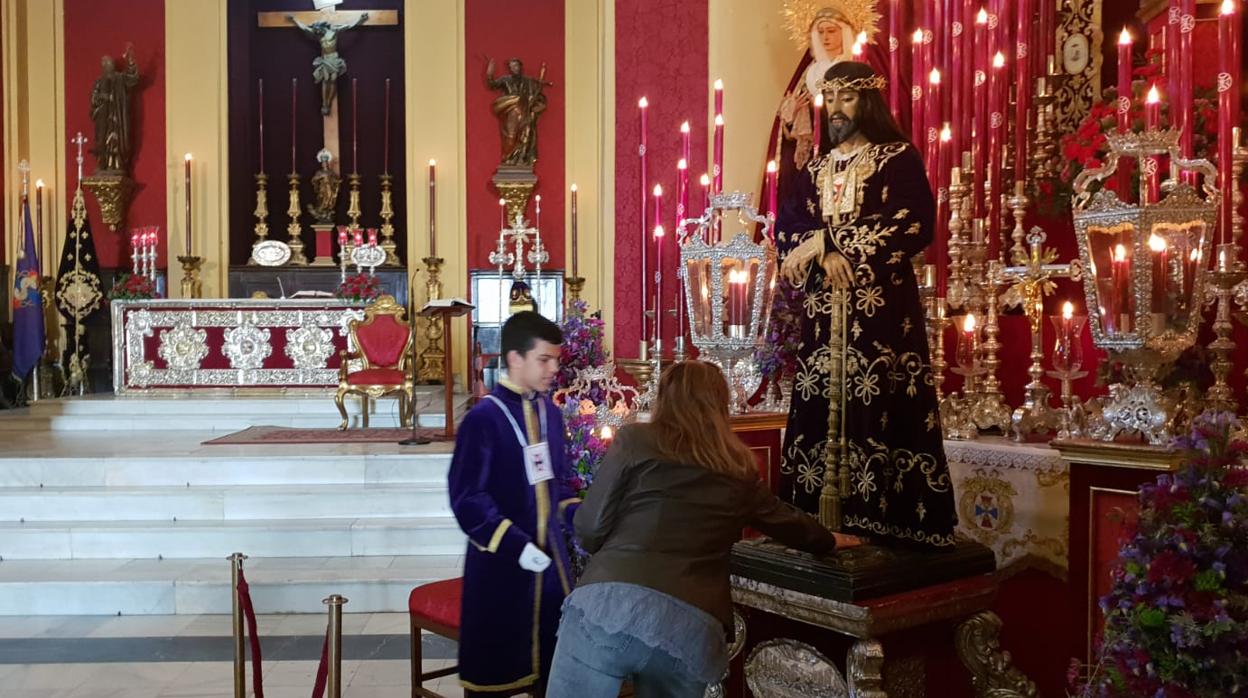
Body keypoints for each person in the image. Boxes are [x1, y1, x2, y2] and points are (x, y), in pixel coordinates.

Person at [548, 360, 837, 697]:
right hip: (690, 624)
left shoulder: (635, 439)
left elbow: (590, 528)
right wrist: (829, 540)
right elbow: (788, 522)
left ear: (665, 398)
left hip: (612, 606)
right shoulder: (738, 468)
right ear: (720, 404)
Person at [776, 60, 957, 548]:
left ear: (868, 102)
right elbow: (788, 225)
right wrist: (818, 248)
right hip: (823, 313)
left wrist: (832, 242)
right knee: (819, 405)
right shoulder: (815, 168)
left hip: (880, 314)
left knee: (877, 404)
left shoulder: (897, 157)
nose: (835, 109)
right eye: (830, 99)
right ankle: (818, 520)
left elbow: (914, 221)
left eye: (847, 98)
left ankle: (882, 519)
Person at [448, 311, 581, 696]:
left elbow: (559, 485)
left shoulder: (551, 414)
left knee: (551, 674)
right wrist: (517, 547)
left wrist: (580, 516)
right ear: (514, 359)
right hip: (501, 572)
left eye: (556, 359)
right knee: (496, 672)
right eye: (544, 359)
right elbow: (467, 498)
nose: (554, 368)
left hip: (551, 571)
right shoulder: (482, 420)